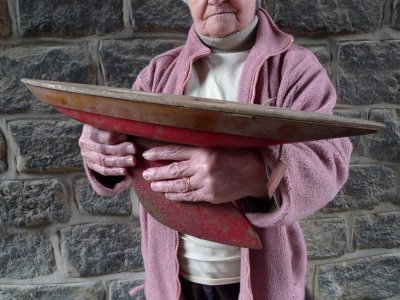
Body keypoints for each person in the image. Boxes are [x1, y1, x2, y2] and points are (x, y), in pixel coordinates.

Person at [79, 0, 352, 299]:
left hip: (264, 285)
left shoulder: (296, 68)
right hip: (173, 285)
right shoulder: (158, 73)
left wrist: (259, 173)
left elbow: (330, 156)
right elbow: (124, 152)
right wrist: (101, 150)